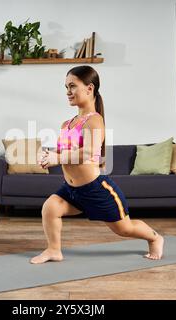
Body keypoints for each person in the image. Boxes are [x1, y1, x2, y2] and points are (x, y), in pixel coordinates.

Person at [30, 66, 164, 264]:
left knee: (124, 229)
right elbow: (62, 152)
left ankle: (155, 237)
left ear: (89, 88)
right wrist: (47, 154)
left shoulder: (94, 121)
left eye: (73, 86)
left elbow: (88, 153)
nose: (68, 91)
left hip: (96, 189)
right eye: (66, 87)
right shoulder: (67, 123)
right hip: (72, 190)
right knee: (50, 207)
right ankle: (53, 250)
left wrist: (57, 159)